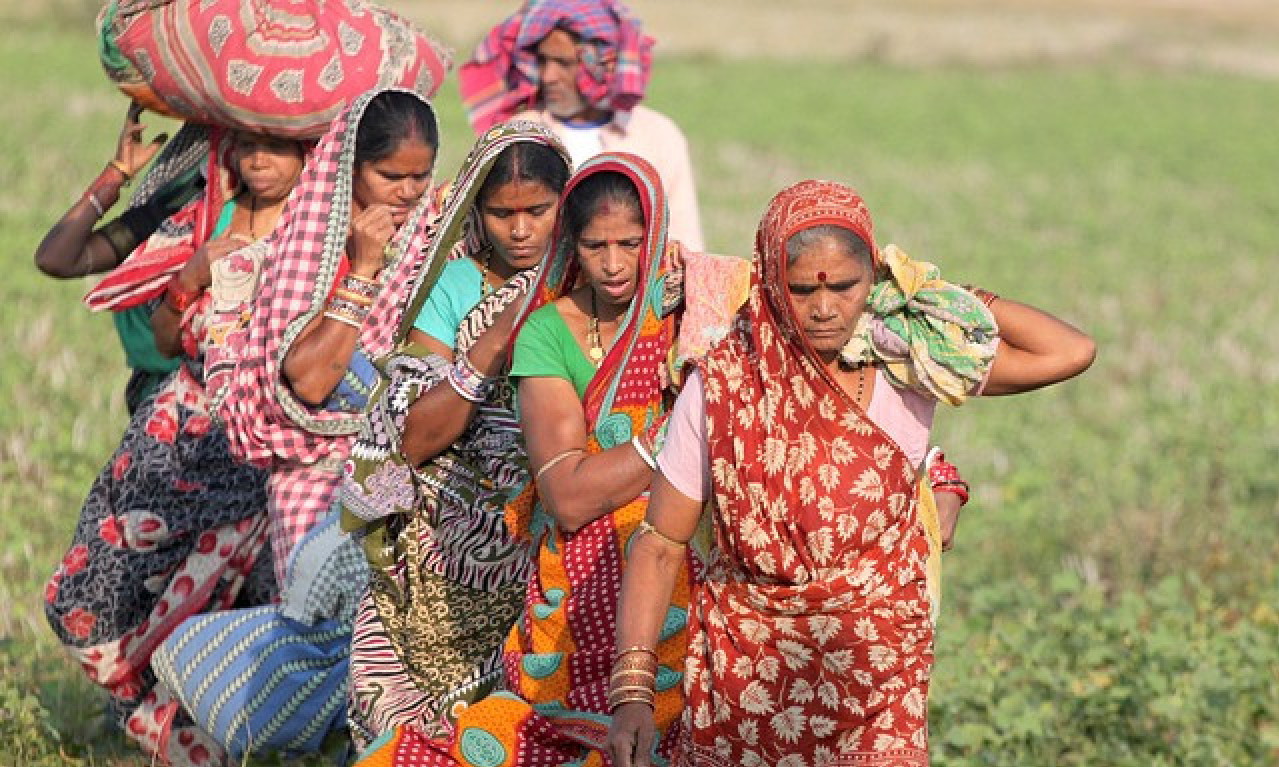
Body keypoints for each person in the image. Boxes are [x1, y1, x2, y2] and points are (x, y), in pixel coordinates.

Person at [607, 180, 1096, 767]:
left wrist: (942, 297)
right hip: (748, 686)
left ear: (873, 279)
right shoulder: (723, 385)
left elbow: (1069, 352)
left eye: (845, 286)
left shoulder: (905, 364)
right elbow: (660, 543)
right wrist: (631, 693)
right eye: (802, 289)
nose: (824, 308)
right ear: (768, 281)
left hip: (876, 683)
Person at [355, 152, 693, 765]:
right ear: (572, 243)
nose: (614, 265)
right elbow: (567, 495)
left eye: (630, 243)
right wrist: (686, 433)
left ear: (658, 236)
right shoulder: (545, 331)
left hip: (686, 573)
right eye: (594, 246)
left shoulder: (690, 314)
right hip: (582, 579)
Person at [150, 88, 442, 764]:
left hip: (405, 472)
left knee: (396, 655)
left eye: (417, 177)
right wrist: (364, 272)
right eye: (388, 175)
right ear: (348, 168)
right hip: (313, 480)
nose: (404, 193)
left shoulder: (433, 238)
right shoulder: (305, 250)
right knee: (329, 644)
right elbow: (307, 380)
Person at [43, 127, 307, 765]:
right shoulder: (200, 213)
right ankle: (150, 717)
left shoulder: (319, 235)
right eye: (248, 145)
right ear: (231, 151)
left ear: (310, 151)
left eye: (279, 145)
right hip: (172, 440)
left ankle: (224, 740)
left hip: (262, 455)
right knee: (93, 595)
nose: (261, 160)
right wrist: (193, 268)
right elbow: (69, 266)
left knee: (242, 608)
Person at [341, 121, 573, 748]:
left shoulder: (592, 282)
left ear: (567, 201)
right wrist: (494, 342)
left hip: (545, 531)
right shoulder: (457, 282)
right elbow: (413, 437)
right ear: (477, 207)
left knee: (515, 723)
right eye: (501, 214)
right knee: (390, 703)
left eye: (538, 211)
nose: (520, 230)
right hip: (438, 538)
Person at [459, 0, 705, 251]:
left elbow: (685, 243)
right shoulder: (520, 132)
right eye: (543, 61)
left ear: (600, 66)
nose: (548, 76)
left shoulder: (658, 135)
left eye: (563, 63)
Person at [33, 102, 210, 412]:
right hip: (160, 409)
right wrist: (116, 173)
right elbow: (56, 258)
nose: (255, 159)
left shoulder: (286, 226)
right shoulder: (167, 219)